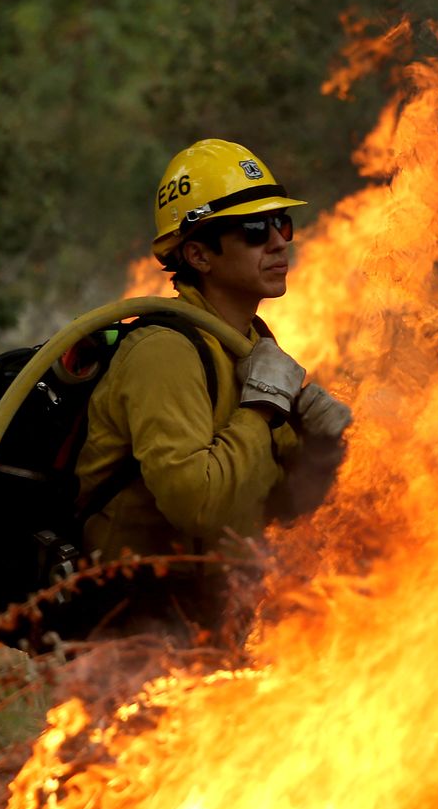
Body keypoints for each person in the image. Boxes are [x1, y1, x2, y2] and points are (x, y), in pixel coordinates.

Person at [75, 138, 351, 636]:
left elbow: (279, 504)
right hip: (134, 625)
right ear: (198, 254)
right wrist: (262, 408)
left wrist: (322, 449)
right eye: (252, 230)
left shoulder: (248, 345)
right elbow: (198, 504)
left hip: (212, 608)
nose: (278, 241)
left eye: (280, 223)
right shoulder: (164, 351)